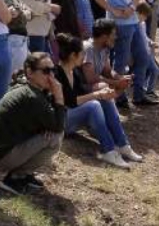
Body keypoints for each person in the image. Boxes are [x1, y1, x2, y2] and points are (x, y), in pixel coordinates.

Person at [53, 33, 142, 169]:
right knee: (94, 104)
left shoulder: (74, 71)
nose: (83, 58)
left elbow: (83, 92)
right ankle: (109, 150)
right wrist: (97, 95)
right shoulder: (56, 74)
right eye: (81, 54)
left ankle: (122, 144)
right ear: (73, 56)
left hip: (73, 116)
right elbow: (68, 102)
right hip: (61, 121)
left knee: (103, 100)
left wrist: (105, 94)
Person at [0, 53, 65, 196]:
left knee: (51, 133)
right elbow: (59, 126)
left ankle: (22, 175)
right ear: (30, 72)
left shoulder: (27, 87)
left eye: (53, 70)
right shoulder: (31, 96)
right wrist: (59, 96)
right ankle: (14, 177)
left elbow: (49, 120)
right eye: (46, 71)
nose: (51, 76)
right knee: (55, 137)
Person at [82, 19, 135, 101]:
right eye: (113, 34)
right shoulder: (87, 48)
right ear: (104, 37)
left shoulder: (104, 48)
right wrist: (116, 83)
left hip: (94, 87)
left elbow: (108, 71)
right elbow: (91, 78)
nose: (116, 37)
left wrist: (120, 78)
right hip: (81, 91)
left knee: (109, 88)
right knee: (105, 87)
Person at [133, 2, 159, 98]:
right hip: (140, 52)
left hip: (147, 51)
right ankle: (146, 90)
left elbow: (145, 37)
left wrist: (151, 42)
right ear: (138, 13)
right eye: (144, 15)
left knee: (153, 71)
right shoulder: (133, 25)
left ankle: (148, 90)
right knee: (151, 71)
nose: (145, 18)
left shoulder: (142, 24)